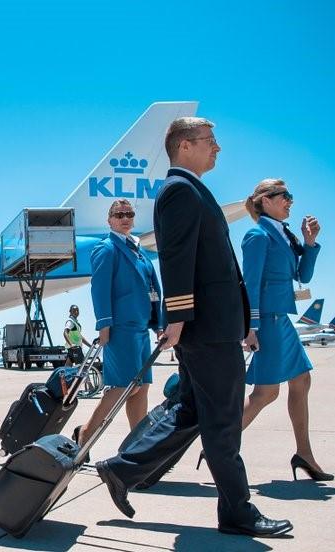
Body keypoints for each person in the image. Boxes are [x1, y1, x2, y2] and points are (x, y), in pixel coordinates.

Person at [94, 117, 293, 537]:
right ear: (185, 146)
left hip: (212, 325)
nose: (217, 148)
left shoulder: (189, 190)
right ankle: (237, 512)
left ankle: (121, 468)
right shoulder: (179, 191)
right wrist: (179, 320)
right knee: (222, 419)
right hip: (207, 328)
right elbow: (176, 259)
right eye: (210, 141)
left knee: (193, 411)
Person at [240, 178, 329, 480]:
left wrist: (310, 243)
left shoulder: (284, 235)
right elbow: (249, 284)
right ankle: (220, 445)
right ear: (265, 200)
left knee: (301, 381)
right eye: (284, 195)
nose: (290, 200)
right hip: (268, 320)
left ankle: (304, 453)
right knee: (265, 393)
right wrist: (249, 326)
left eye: (291, 195)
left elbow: (302, 275)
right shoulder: (257, 235)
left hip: (282, 319)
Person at [71, 200, 162, 449]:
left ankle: (139, 444)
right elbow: (99, 289)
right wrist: (104, 325)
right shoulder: (107, 249)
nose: (125, 218)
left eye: (129, 214)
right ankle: (85, 435)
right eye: (118, 214)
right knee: (123, 387)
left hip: (142, 330)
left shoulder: (140, 252)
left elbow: (154, 290)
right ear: (109, 220)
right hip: (121, 329)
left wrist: (159, 322)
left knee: (141, 388)